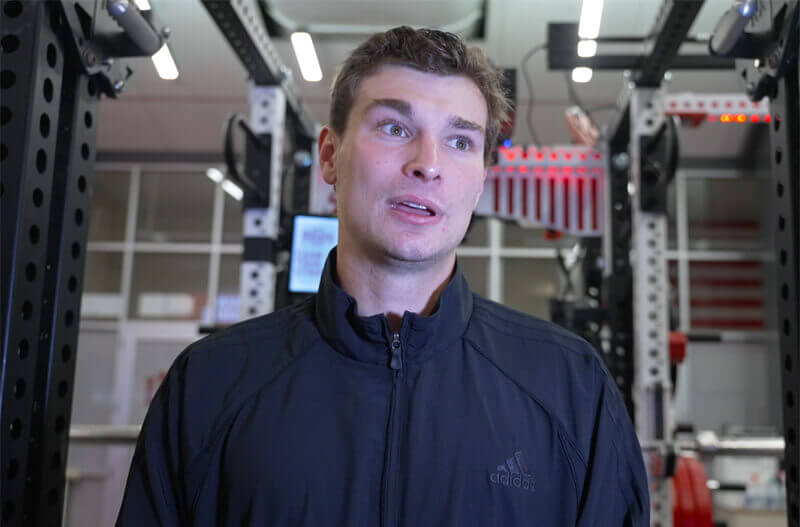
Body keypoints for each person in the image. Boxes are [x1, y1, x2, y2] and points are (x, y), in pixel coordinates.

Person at [116, 26, 649, 526]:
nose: (427, 164)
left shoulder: (571, 387)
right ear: (330, 155)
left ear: (481, 181)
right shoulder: (209, 384)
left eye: (460, 141)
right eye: (395, 128)